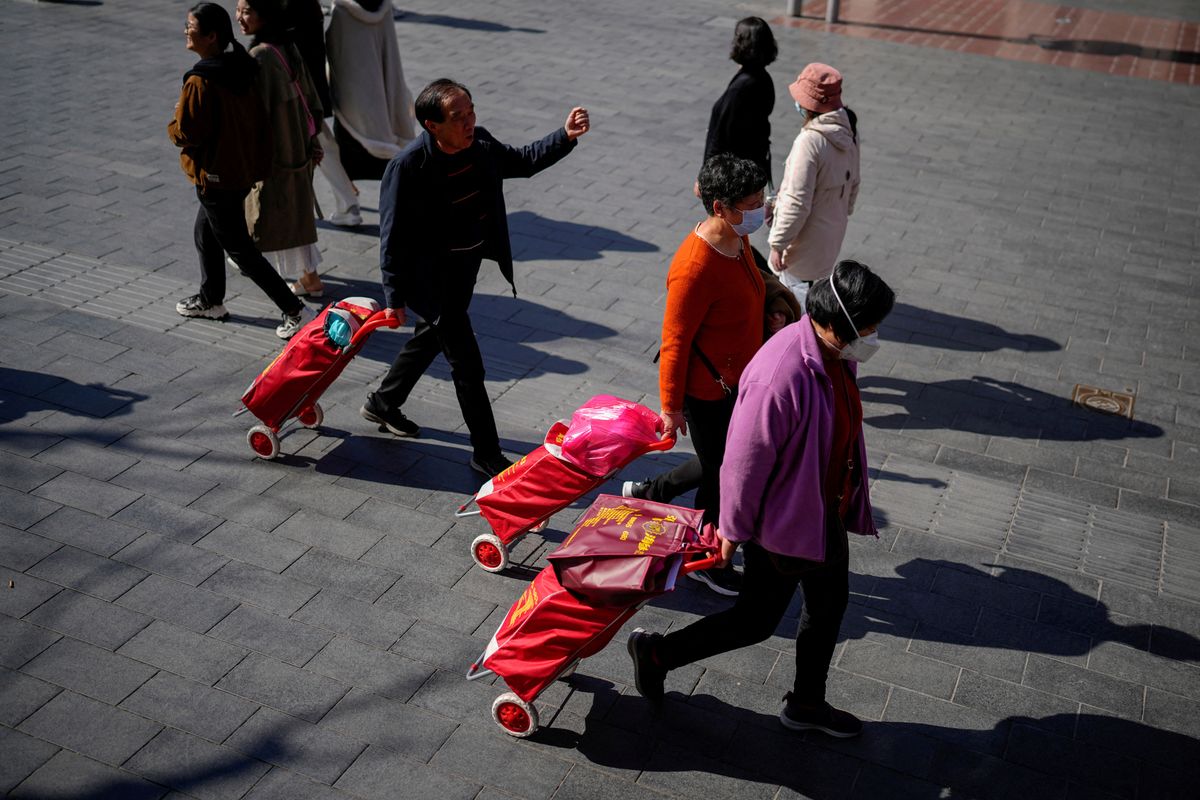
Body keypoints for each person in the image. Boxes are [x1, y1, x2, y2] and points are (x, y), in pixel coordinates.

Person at [628, 259, 895, 738]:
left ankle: (807, 703)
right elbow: (743, 463)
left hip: (820, 511)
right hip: (785, 524)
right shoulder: (780, 374)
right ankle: (656, 653)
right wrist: (732, 529)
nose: (873, 337)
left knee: (828, 603)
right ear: (835, 321)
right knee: (755, 621)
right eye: (869, 327)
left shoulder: (834, 354)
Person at [360, 79, 590, 477]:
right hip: (430, 281)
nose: (469, 122)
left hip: (463, 269)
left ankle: (383, 401)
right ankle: (486, 452)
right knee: (467, 365)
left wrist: (564, 136)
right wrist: (394, 297)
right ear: (432, 125)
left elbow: (521, 161)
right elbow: (392, 235)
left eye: (471, 112)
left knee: (430, 337)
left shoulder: (480, 145)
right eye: (457, 117)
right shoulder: (408, 167)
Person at [628, 154, 769, 596]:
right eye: (751, 203)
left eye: (761, 198)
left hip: (740, 380)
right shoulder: (694, 267)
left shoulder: (737, 239)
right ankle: (706, 557)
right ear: (720, 208)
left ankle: (653, 489)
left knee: (723, 461)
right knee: (723, 473)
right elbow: (674, 342)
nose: (760, 209)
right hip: (708, 391)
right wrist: (670, 407)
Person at [168, 2, 313, 339]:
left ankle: (295, 310)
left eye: (190, 26)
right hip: (240, 171)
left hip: (216, 174)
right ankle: (211, 300)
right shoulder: (240, 66)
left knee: (240, 249)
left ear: (211, 36)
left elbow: (187, 132)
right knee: (205, 232)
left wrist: (172, 125)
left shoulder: (201, 81)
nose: (185, 31)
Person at [237, 0, 328, 308]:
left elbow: (254, 113)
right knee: (297, 212)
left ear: (264, 15)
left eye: (246, 10)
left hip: (277, 152)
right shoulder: (285, 44)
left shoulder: (260, 55)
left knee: (281, 214)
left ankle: (307, 278)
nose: (239, 16)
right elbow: (310, 95)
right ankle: (309, 277)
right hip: (298, 145)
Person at [768, 63, 860, 307]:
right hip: (832, 233)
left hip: (802, 243)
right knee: (818, 289)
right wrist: (841, 213)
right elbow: (854, 184)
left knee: (792, 302)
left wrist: (778, 243)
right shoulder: (849, 131)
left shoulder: (810, 141)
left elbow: (797, 202)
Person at [284, 0, 363, 228]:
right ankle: (347, 200)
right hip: (308, 84)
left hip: (295, 87)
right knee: (321, 139)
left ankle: (346, 203)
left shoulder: (290, 8)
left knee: (315, 141)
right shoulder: (308, 7)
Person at [326, 0, 419, 184]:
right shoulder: (383, 8)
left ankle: (347, 204)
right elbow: (391, 59)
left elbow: (337, 54)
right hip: (384, 102)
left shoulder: (342, 12)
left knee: (349, 156)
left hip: (353, 102)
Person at [697, 17, 778, 193]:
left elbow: (721, 136)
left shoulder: (742, 87)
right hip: (748, 172)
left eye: (737, 37)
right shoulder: (763, 79)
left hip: (731, 178)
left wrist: (705, 178)